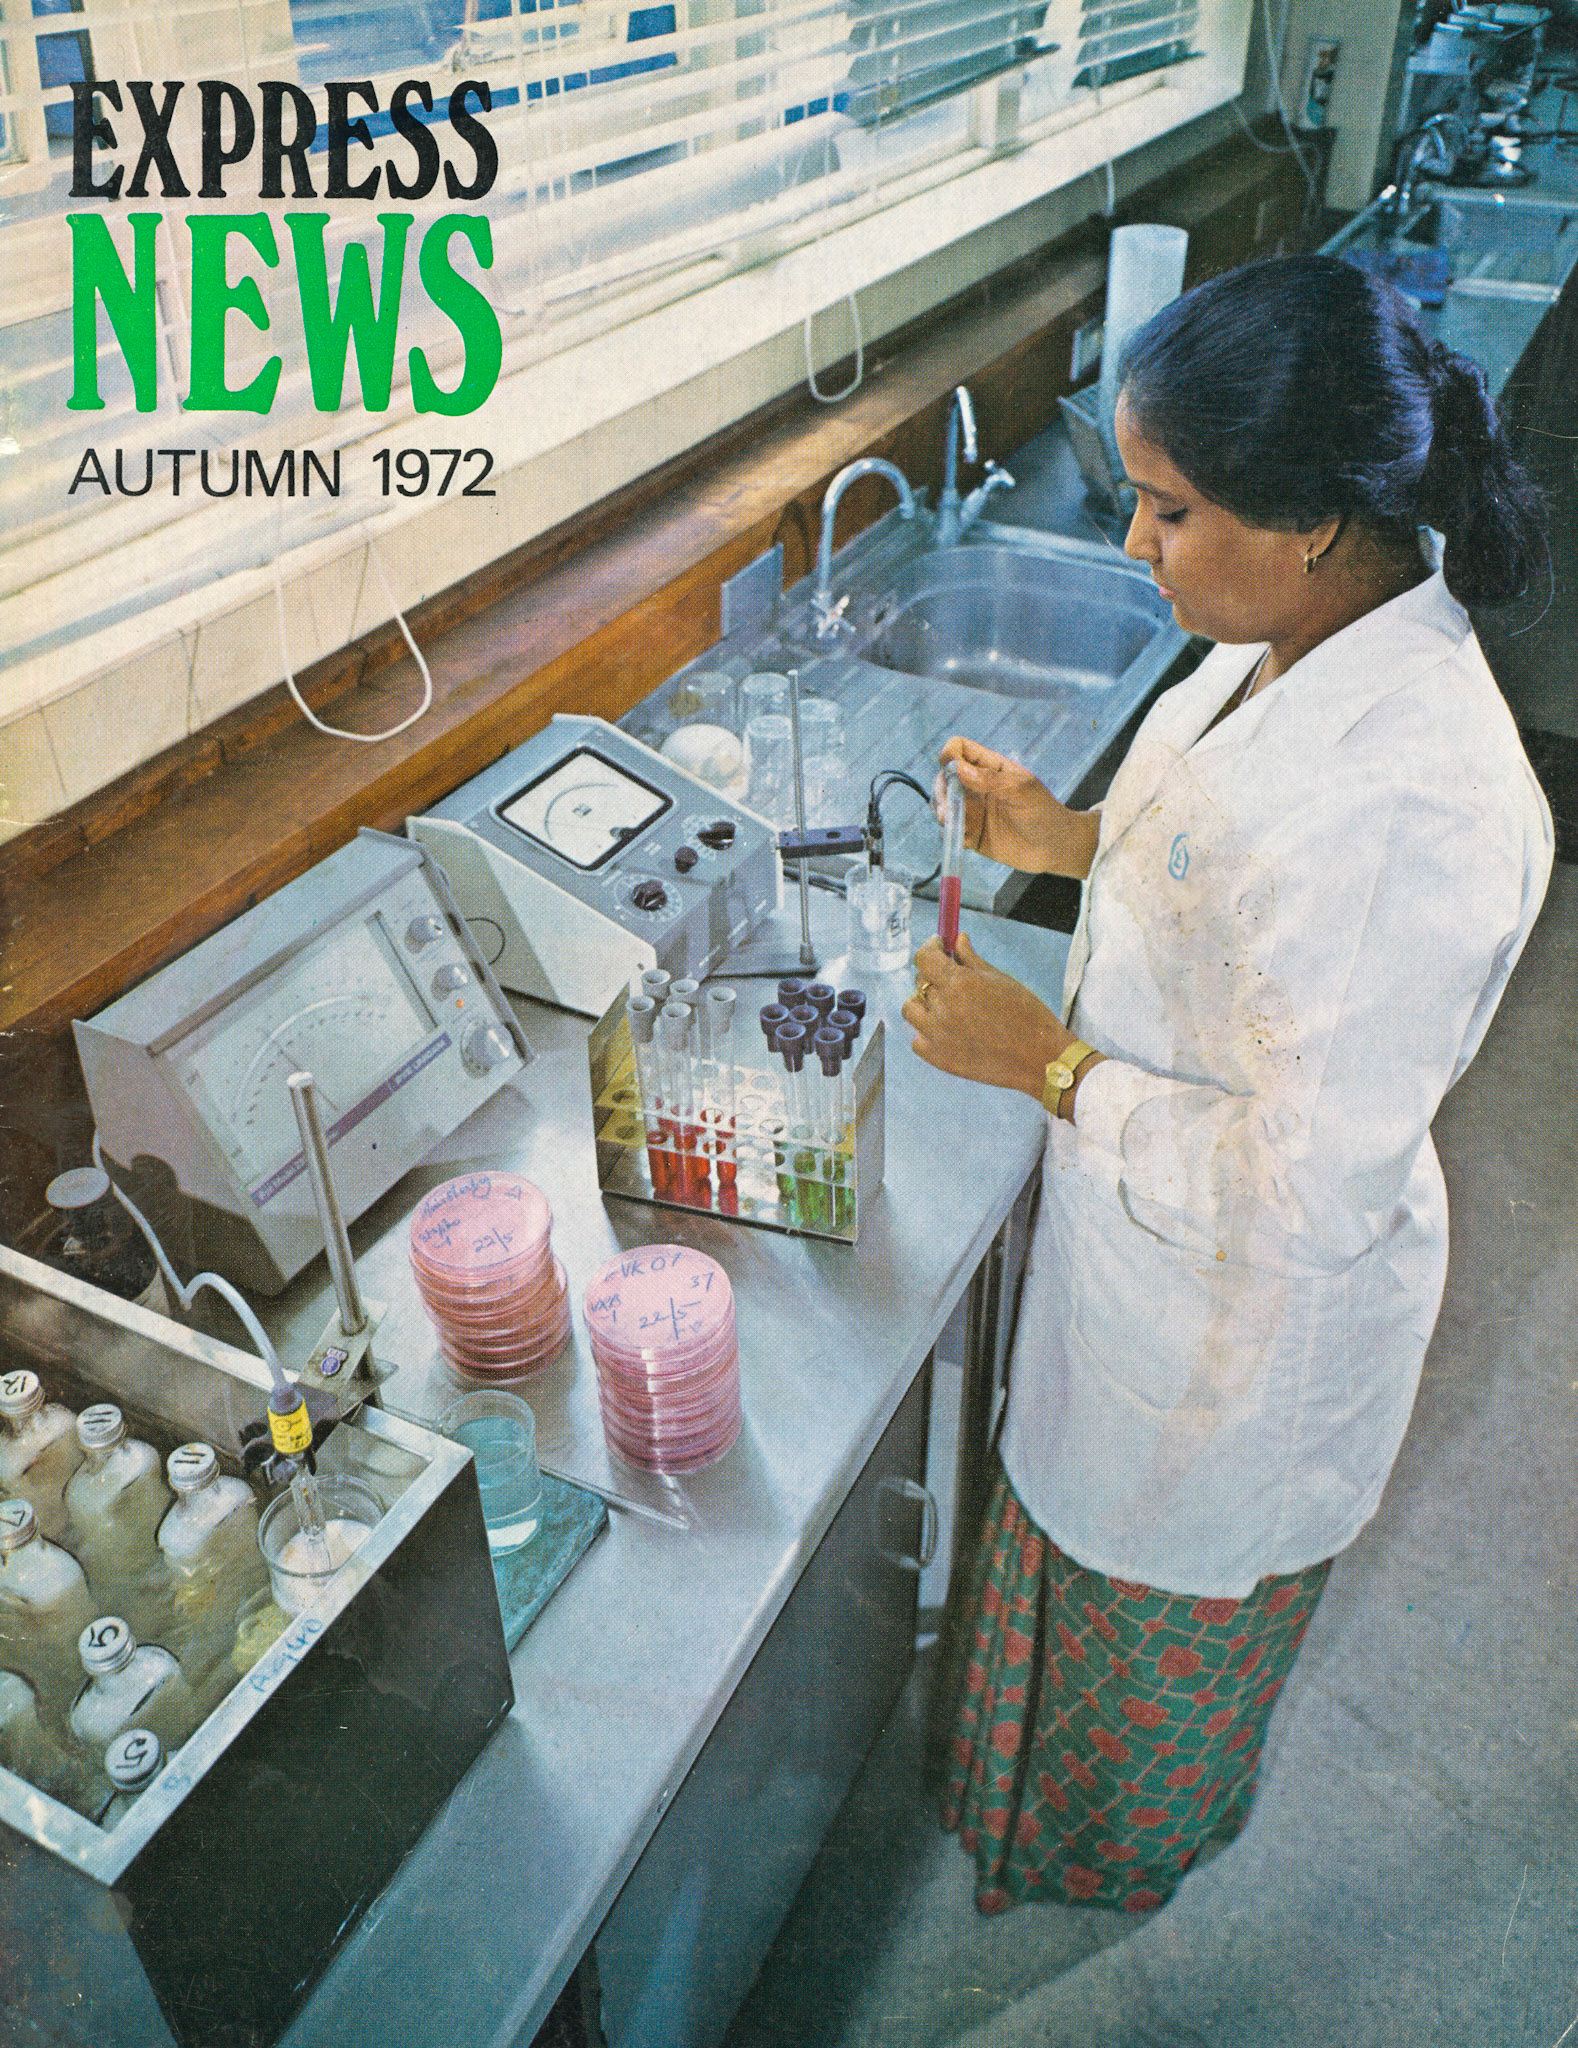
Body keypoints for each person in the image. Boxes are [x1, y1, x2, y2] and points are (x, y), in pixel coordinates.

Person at [903, 254, 1554, 1916]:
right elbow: (1207, 844)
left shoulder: (1411, 806)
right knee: (1068, 1495)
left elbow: (1299, 1186)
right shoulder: (1291, 643)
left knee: (1151, 1580)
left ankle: (1101, 1874)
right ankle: (1018, 1820)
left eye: (1168, 512)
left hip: (1242, 1327)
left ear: (1313, 519)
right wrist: (1062, 838)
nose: (1137, 547)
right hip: (1141, 1254)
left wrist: (1041, 1061)